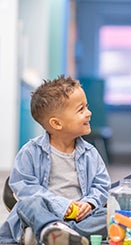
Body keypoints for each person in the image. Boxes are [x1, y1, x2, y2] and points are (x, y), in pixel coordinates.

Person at [0, 75, 110, 245]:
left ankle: (58, 235)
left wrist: (89, 202)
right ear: (57, 124)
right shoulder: (30, 152)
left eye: (86, 107)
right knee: (27, 204)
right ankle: (51, 229)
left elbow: (101, 185)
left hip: (81, 218)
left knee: (111, 214)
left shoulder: (90, 153)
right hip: (46, 213)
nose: (89, 113)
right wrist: (62, 205)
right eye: (81, 109)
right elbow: (25, 188)